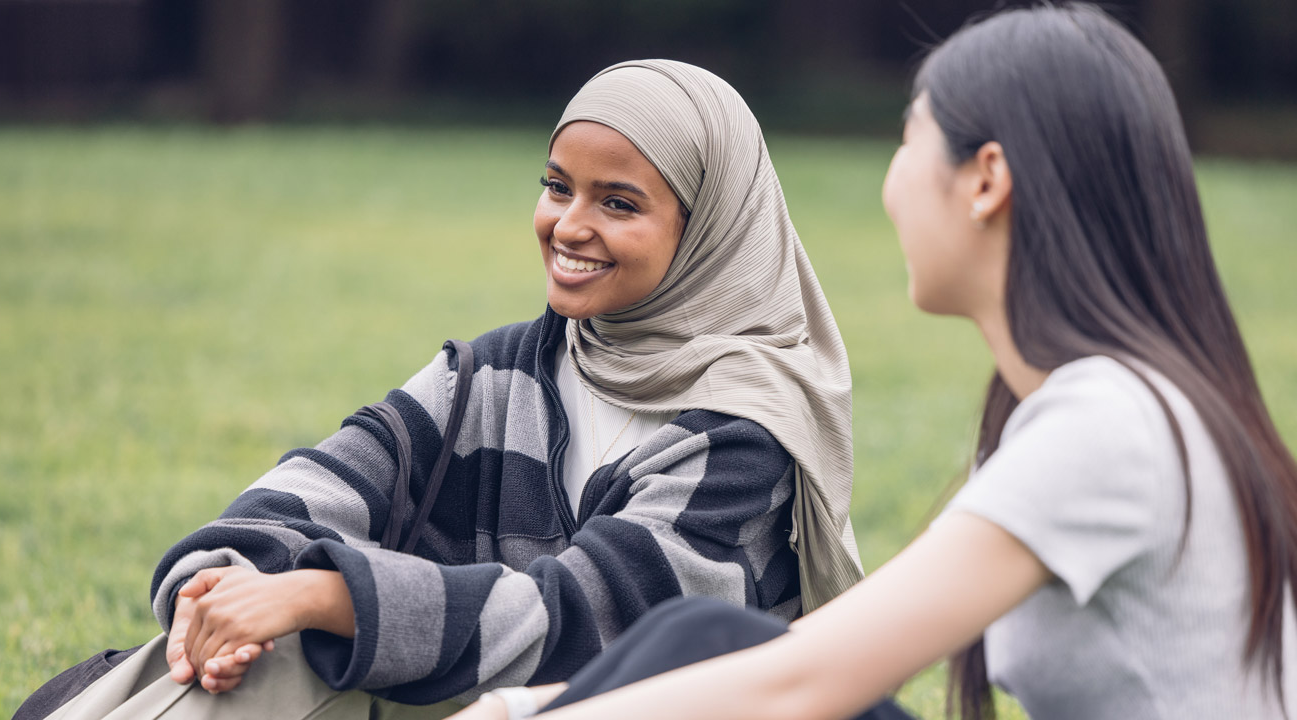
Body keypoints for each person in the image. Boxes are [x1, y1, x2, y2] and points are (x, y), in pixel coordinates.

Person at [452, 5, 1297, 720]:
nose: (891, 182)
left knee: (707, 645)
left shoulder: (1109, 426)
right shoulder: (1101, 406)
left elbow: (809, 679)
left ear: (986, 180)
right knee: (700, 641)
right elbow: (830, 650)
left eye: (909, 140)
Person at [28, 59, 866, 718]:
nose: (569, 224)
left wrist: (324, 595)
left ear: (708, 231)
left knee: (314, 632)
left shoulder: (746, 426)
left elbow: (589, 627)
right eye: (556, 185)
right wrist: (218, 585)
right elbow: (321, 483)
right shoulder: (493, 372)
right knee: (264, 659)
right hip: (483, 698)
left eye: (618, 202)